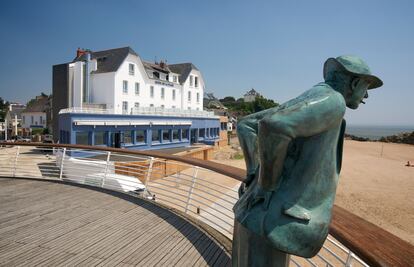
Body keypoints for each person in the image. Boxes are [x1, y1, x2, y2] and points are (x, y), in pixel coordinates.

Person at [232, 56, 383, 266]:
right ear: (355, 83)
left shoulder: (314, 94)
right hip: (275, 224)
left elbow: (247, 125)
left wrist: (253, 175)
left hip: (251, 212)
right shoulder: (334, 101)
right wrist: (266, 186)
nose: (366, 95)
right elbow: (274, 126)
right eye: (366, 86)